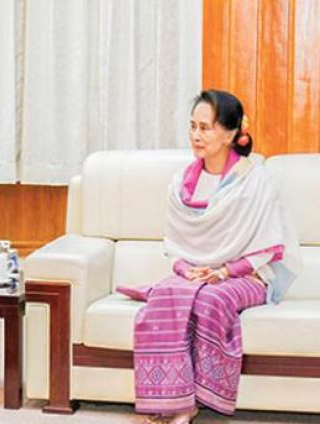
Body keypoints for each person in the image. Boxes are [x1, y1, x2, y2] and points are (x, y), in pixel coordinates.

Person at [117, 90, 302, 423]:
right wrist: (188, 270)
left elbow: (269, 248)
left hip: (248, 276)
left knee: (210, 301)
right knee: (168, 295)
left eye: (205, 127)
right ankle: (174, 401)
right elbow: (175, 248)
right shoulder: (181, 183)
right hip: (196, 274)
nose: (196, 135)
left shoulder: (255, 179)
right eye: (192, 126)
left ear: (230, 134)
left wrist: (224, 271)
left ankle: (194, 403)